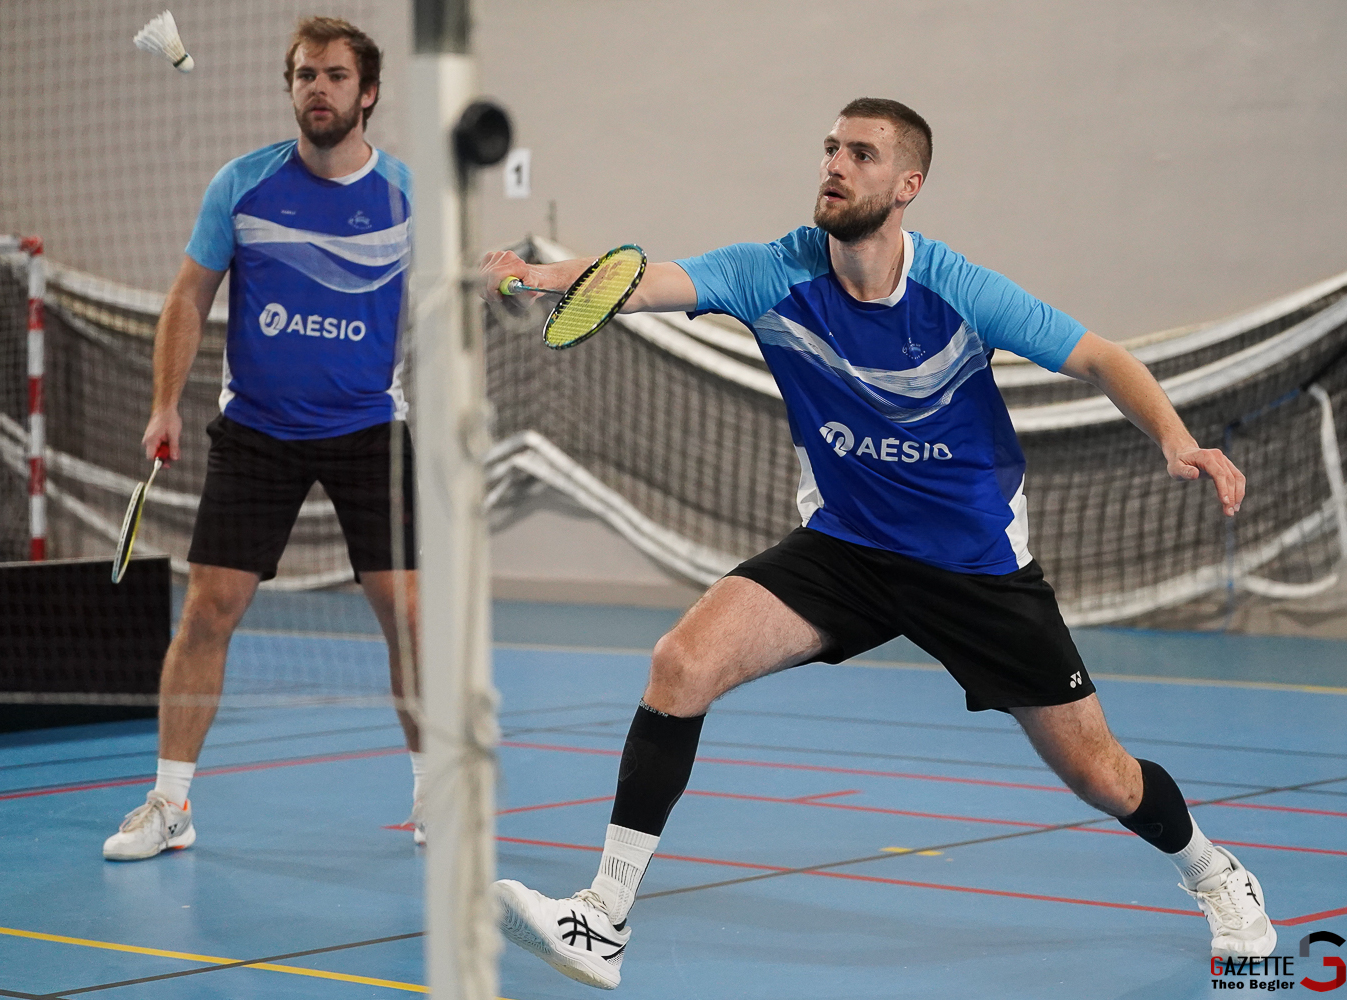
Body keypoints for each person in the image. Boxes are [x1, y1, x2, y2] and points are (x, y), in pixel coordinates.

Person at [480, 97, 1274, 989]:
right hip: (847, 547)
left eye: (860, 153)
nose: (835, 164)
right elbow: (646, 278)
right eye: (829, 148)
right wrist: (545, 275)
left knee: (1101, 776)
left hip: (972, 563)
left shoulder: (956, 289)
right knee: (681, 662)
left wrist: (1175, 437)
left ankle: (1214, 871)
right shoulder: (768, 271)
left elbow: (1101, 357)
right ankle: (602, 919)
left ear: (907, 186)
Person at [102, 17, 421, 861]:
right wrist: (165, 404)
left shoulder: (406, 195)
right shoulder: (241, 185)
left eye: (335, 75)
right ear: (291, 88)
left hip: (367, 430)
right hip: (258, 431)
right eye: (305, 75)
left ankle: (436, 798)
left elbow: (465, 292)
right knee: (209, 610)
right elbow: (185, 298)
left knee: (411, 617)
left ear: (368, 93)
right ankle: (170, 805)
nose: (318, 87)